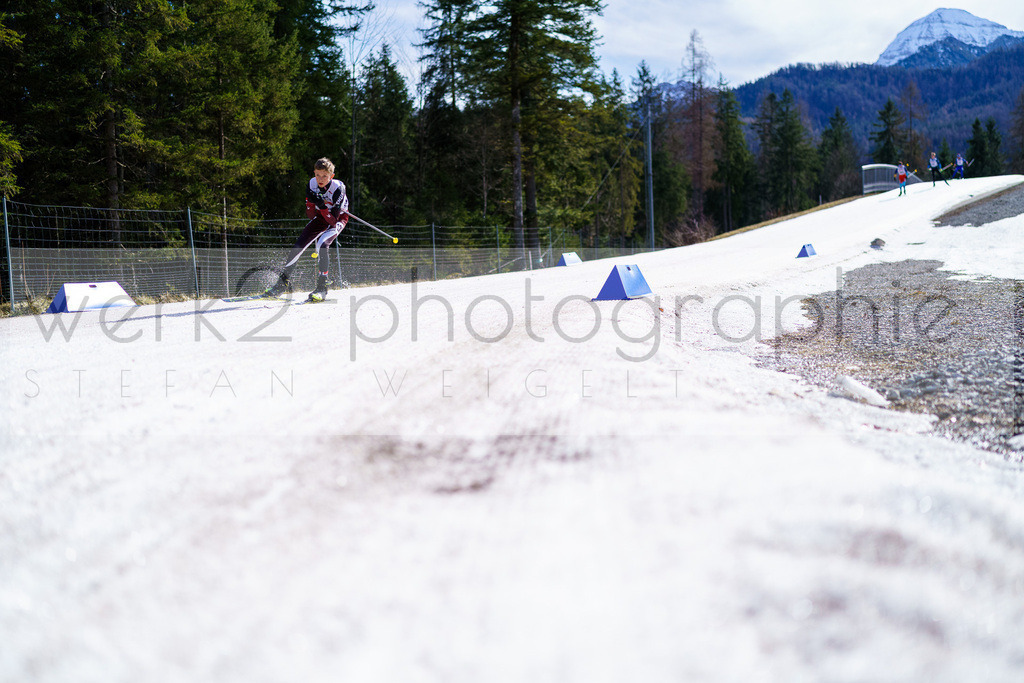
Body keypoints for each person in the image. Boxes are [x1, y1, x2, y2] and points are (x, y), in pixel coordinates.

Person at [265, 158, 349, 301]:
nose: (320, 179)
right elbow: (310, 215)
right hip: (321, 217)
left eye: (324, 176)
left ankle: (322, 287)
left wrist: (322, 205)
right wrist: (312, 203)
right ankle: (281, 284)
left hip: (338, 218)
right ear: (314, 173)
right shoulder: (312, 184)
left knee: (322, 245)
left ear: (331, 176)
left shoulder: (338, 188)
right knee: (298, 246)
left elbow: (333, 221)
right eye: (317, 175)